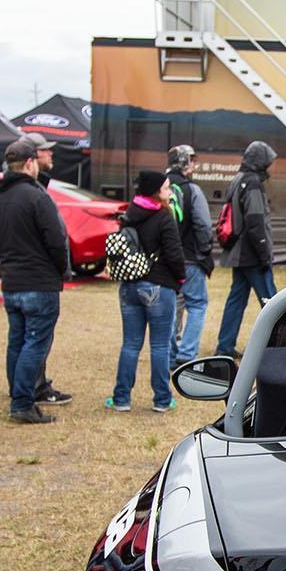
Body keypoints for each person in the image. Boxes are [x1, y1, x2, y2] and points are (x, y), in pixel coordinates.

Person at [0, 137, 70, 424]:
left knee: (17, 341)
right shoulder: (37, 197)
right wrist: (60, 269)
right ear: (31, 163)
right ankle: (22, 402)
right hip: (39, 281)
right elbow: (56, 240)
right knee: (34, 344)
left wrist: (9, 259)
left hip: (13, 281)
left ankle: (19, 394)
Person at [108, 170, 186, 414]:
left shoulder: (129, 215)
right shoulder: (164, 217)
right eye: (166, 188)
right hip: (159, 285)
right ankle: (162, 399)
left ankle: (121, 398)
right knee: (160, 345)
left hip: (129, 285)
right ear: (155, 192)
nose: (170, 192)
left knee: (130, 344)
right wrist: (180, 278)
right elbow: (174, 254)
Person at [215, 141, 277, 359]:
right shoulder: (253, 183)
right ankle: (281, 347)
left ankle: (225, 346)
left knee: (236, 300)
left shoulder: (238, 179)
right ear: (261, 161)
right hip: (252, 254)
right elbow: (255, 220)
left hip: (238, 253)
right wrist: (264, 254)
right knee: (273, 303)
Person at [165, 145, 215, 365]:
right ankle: (186, 355)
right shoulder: (192, 190)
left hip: (165, 259)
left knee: (170, 305)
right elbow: (203, 225)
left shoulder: (159, 188)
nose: (194, 164)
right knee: (197, 304)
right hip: (189, 258)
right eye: (192, 160)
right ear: (184, 162)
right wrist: (204, 250)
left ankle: (170, 354)